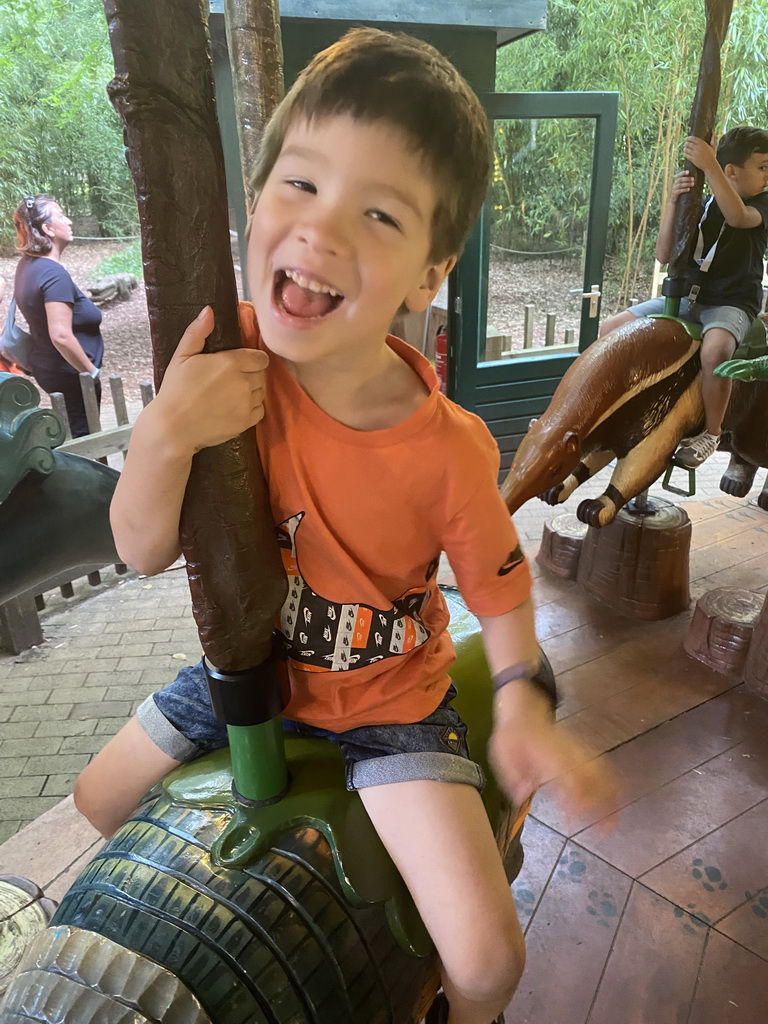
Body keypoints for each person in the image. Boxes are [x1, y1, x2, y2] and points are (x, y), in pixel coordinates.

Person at [74, 29, 613, 1024]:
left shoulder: (446, 447)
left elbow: (498, 585)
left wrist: (522, 697)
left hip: (383, 705)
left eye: (378, 212)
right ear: (258, 196)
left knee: (491, 955)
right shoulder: (224, 360)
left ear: (428, 273)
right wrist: (168, 433)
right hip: (243, 677)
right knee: (98, 802)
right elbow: (142, 546)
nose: (322, 233)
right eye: (302, 183)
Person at [601, 126, 768, 468]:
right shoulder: (702, 206)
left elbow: (737, 217)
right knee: (610, 329)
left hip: (731, 301)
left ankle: (712, 431)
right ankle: (606, 408)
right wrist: (673, 204)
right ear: (733, 171)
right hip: (689, 297)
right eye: (763, 166)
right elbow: (664, 254)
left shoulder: (762, 204)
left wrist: (709, 167)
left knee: (716, 351)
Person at [13, 195, 104, 437]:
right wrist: (91, 372)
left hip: (50, 371)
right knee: (86, 441)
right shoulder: (53, 275)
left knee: (74, 436)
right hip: (72, 378)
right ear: (48, 229)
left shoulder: (27, 266)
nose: (70, 221)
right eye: (62, 216)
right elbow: (61, 335)